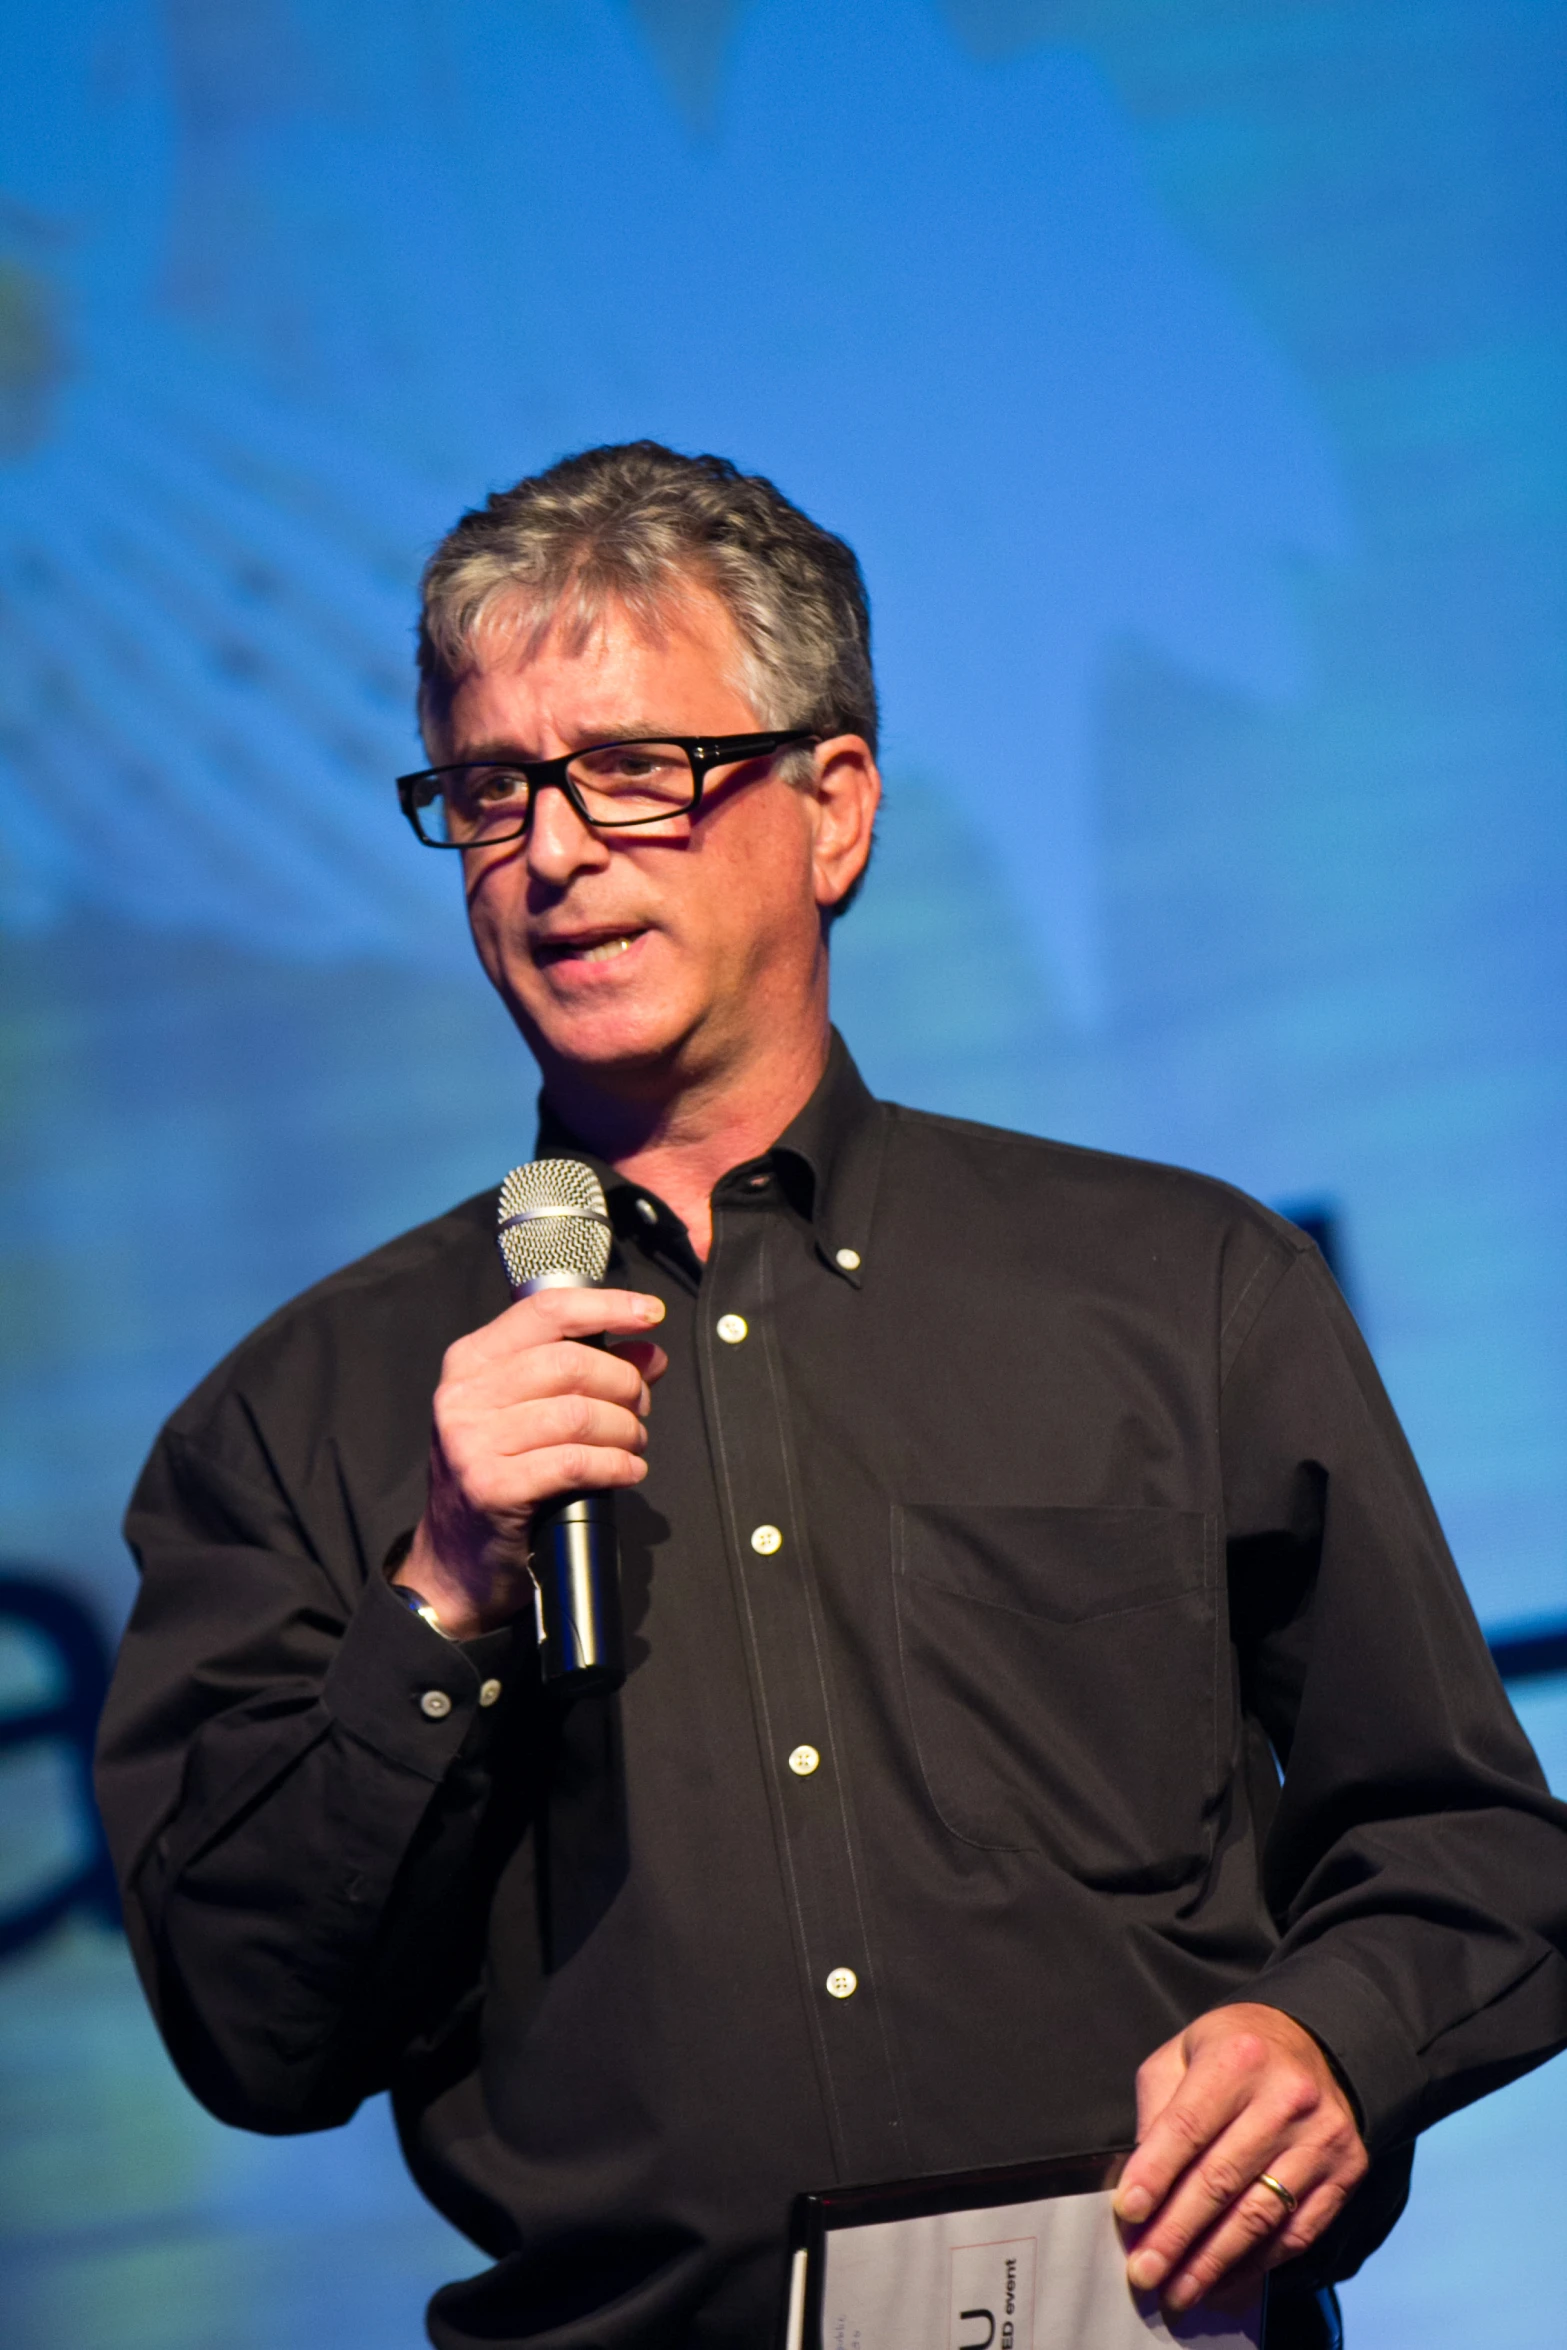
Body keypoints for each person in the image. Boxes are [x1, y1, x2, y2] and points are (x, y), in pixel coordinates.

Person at [97, 442, 1567, 2350]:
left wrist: (1330, 2036)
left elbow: (1469, 1844)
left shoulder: (1177, 1286)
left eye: (632, 771)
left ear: (833, 810)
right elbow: (254, 2030)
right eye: (488, 790)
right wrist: (441, 1594)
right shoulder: (296, 1414)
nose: (550, 851)